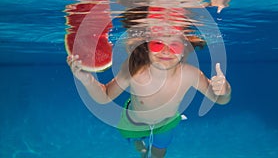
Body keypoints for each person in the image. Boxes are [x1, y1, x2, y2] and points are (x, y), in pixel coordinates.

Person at [66, 13, 231, 157]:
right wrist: (86, 80)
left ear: (184, 50)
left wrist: (224, 90)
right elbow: (105, 96)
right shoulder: (136, 71)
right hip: (133, 123)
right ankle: (141, 149)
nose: (166, 51)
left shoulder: (191, 74)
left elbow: (221, 100)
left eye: (174, 45)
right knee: (138, 144)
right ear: (147, 47)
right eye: (158, 44)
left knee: (159, 155)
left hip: (166, 124)